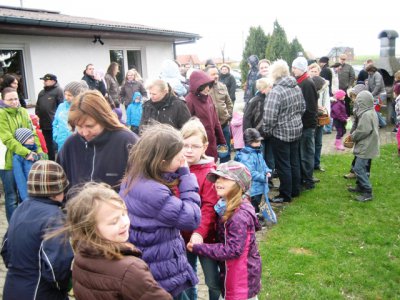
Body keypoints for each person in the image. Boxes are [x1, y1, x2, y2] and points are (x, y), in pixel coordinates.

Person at [120, 123, 201, 299]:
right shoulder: (154, 192)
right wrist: (186, 176)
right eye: (179, 158)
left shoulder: (134, 178)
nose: (182, 162)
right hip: (163, 273)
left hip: (152, 263)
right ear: (162, 162)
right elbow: (192, 217)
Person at [59, 182, 172, 299]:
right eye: (114, 221)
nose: (124, 222)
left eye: (124, 213)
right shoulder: (130, 270)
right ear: (91, 228)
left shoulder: (81, 255)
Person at [187, 160, 262, 300]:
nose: (218, 182)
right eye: (217, 178)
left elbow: (233, 250)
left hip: (239, 280)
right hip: (240, 275)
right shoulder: (228, 206)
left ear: (239, 184)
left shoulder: (237, 216)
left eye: (225, 178)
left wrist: (200, 248)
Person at [1, 160, 74, 299]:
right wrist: (65, 287)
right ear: (59, 190)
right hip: (39, 292)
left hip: (11, 288)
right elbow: (57, 267)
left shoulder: (20, 208)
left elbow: (6, 248)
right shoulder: (55, 217)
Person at [57, 90, 138, 191]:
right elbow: (59, 183)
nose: (85, 132)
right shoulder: (70, 144)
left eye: (90, 126)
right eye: (79, 126)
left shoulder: (127, 142)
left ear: (104, 119)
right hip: (76, 206)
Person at [181, 118, 221, 300]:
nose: (189, 150)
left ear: (204, 147)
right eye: (185, 145)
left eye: (194, 146)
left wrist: (200, 233)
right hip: (180, 238)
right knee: (187, 279)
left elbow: (209, 207)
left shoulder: (209, 173)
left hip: (206, 238)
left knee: (213, 280)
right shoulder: (175, 169)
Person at [263, 60, 305, 203]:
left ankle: (285, 194)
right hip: (296, 130)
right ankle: (295, 190)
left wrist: (267, 131)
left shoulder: (276, 92)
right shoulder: (296, 87)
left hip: (280, 133)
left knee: (283, 164)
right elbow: (303, 108)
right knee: (294, 161)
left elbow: (269, 117)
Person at [0, 87, 44, 221]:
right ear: (2, 100)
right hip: (7, 161)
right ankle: (13, 227)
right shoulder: (1, 114)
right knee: (12, 196)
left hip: (28, 158)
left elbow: (34, 132)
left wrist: (39, 151)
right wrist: (26, 153)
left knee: (26, 193)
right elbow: (8, 139)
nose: (14, 102)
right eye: (10, 99)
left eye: (16, 99)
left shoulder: (24, 112)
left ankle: (25, 223)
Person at [185, 70, 226, 161]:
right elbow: (187, 127)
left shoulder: (208, 98)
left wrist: (222, 140)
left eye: (209, 85)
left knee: (211, 166)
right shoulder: (189, 101)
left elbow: (216, 121)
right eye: (205, 86)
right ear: (198, 86)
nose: (208, 89)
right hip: (198, 144)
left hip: (211, 141)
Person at [347, 91, 379, 202]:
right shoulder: (370, 111)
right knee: (361, 166)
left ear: (363, 101)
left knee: (358, 168)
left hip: (366, 145)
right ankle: (360, 186)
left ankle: (367, 191)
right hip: (368, 143)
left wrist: (352, 136)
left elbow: (363, 131)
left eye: (358, 100)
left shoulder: (366, 114)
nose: (356, 102)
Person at [235, 128, 271, 226]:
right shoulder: (245, 156)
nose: (259, 143)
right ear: (249, 142)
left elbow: (263, 164)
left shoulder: (257, 152)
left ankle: (256, 216)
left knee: (258, 202)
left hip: (258, 186)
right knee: (252, 204)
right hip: (252, 188)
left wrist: (267, 171)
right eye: (257, 141)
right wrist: (263, 177)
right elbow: (250, 173)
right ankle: (253, 221)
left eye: (259, 140)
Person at [292, 56, 318, 190]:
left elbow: (310, 108)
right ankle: (305, 178)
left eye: (294, 67)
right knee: (303, 153)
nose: (293, 70)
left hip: (307, 125)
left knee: (306, 153)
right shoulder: (301, 82)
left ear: (300, 68)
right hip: (303, 124)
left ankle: (308, 181)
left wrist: (301, 121)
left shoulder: (307, 83)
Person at [243, 77, 275, 176]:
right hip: (257, 136)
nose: (272, 89)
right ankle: (260, 178)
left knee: (270, 158)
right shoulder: (255, 100)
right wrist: (249, 136)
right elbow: (247, 118)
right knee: (259, 158)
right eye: (270, 87)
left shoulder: (271, 99)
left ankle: (269, 177)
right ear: (263, 89)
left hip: (269, 134)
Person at [205, 65, 233, 163]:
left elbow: (229, 103)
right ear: (206, 75)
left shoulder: (222, 86)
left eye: (217, 73)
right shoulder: (204, 88)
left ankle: (225, 172)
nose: (216, 76)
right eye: (213, 74)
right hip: (210, 127)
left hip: (223, 125)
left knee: (225, 150)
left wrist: (228, 115)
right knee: (210, 152)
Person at [343, 84, 371, 179]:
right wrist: (352, 133)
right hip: (358, 132)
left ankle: (365, 173)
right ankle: (354, 171)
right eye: (352, 97)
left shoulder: (367, 107)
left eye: (355, 96)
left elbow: (366, 127)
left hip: (366, 135)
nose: (353, 99)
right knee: (357, 153)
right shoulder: (356, 105)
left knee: (366, 155)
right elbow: (355, 120)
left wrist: (356, 134)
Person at [53, 80, 89, 150]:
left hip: (77, 143)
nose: (66, 97)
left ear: (77, 95)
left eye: (69, 95)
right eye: (65, 94)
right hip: (61, 142)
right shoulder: (61, 106)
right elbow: (55, 123)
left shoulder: (81, 108)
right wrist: (56, 136)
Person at [35, 73, 64, 160]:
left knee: (55, 143)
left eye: (46, 80)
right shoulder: (42, 92)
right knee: (47, 145)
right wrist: (37, 117)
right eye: (43, 80)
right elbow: (38, 106)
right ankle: (50, 160)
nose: (44, 82)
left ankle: (58, 160)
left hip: (53, 124)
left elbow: (61, 107)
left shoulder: (59, 91)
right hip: (44, 123)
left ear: (53, 81)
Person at [308, 64, 331, 172]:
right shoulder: (307, 84)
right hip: (311, 116)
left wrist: (326, 112)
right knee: (311, 142)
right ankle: (310, 164)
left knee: (319, 142)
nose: (314, 73)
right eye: (311, 71)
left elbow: (326, 100)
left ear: (319, 72)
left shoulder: (324, 84)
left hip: (321, 115)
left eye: (315, 71)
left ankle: (317, 163)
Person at [12, 128, 39, 202]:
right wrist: (25, 198)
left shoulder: (34, 152)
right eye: (29, 138)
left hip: (37, 190)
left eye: (32, 136)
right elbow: (20, 178)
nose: (33, 139)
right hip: (28, 195)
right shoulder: (18, 157)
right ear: (22, 140)